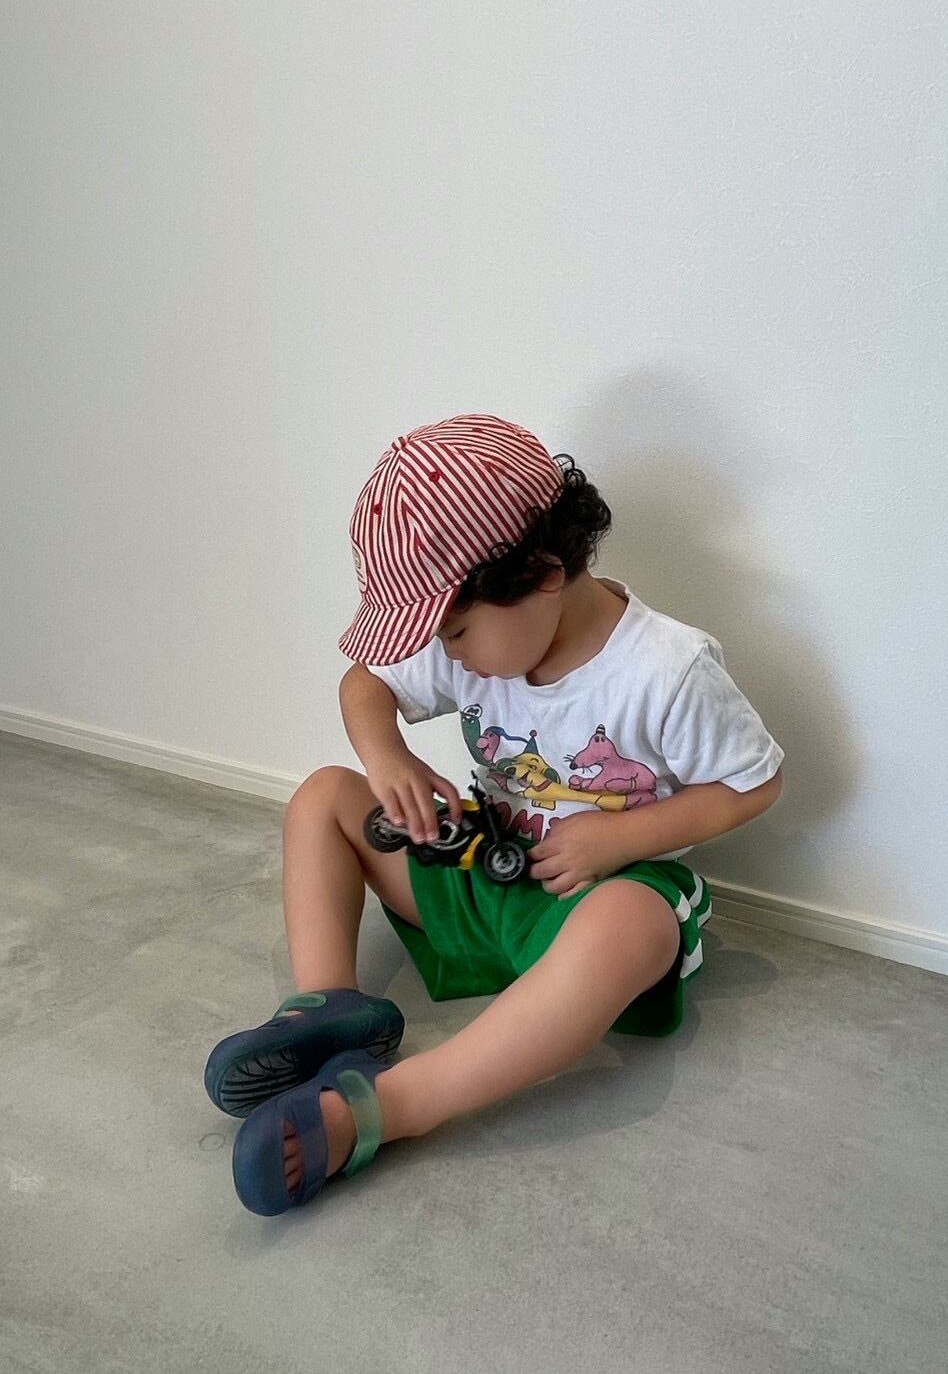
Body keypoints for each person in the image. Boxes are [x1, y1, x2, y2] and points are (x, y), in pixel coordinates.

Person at [204, 413, 785, 1215]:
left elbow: (755, 782)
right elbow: (364, 683)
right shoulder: (481, 635)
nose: (447, 652)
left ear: (542, 573)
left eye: (456, 631)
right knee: (324, 795)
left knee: (632, 924)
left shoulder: (667, 670)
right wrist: (389, 757)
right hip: (488, 864)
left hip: (590, 896)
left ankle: (395, 1104)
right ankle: (329, 1007)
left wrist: (621, 836)